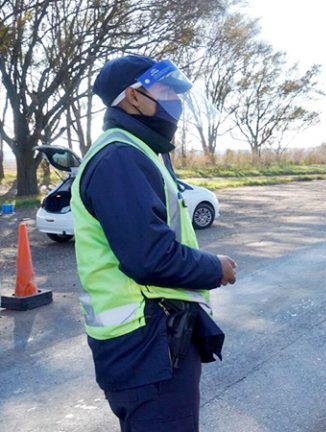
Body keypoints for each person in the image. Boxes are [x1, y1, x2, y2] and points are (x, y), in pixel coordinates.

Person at [71, 55, 237, 431]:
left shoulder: (138, 150)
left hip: (151, 342)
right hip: (146, 345)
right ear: (133, 97)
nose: (174, 100)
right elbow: (149, 256)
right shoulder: (121, 156)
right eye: (165, 90)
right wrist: (216, 267)